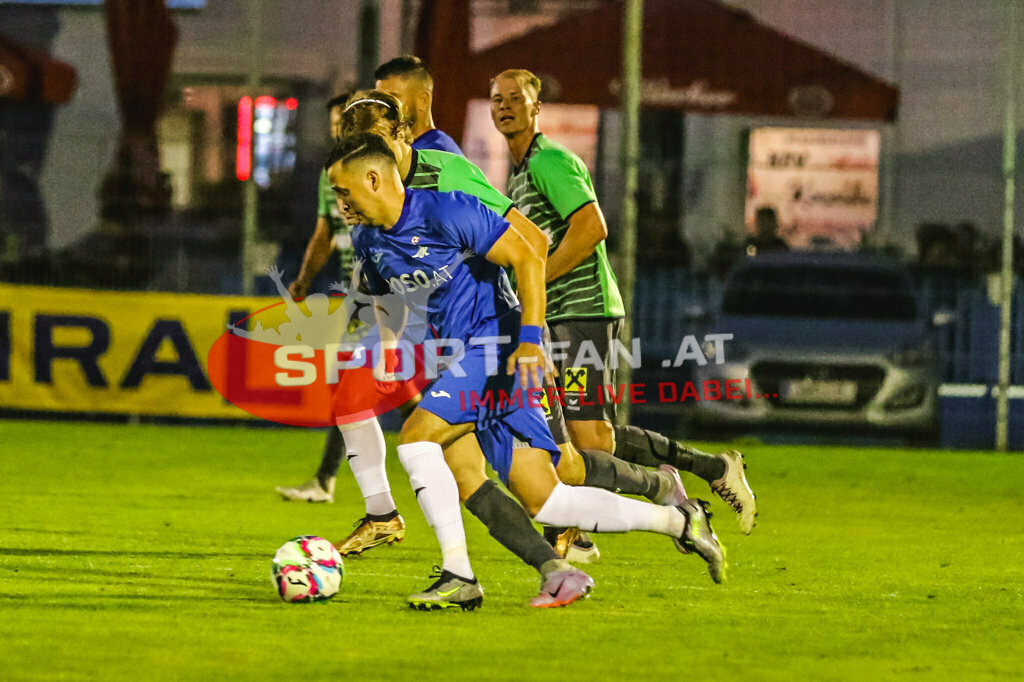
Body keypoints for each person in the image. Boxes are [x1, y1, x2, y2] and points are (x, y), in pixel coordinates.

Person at [328, 132, 726, 609]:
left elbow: (527, 254)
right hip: (463, 358)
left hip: (496, 345)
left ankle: (459, 576)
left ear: (373, 178)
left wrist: (533, 341)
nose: (340, 203)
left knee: (416, 440)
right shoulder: (370, 239)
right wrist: (390, 351)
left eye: (343, 190)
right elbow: (386, 297)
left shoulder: (446, 210)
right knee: (543, 497)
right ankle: (677, 524)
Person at [489, 69, 757, 536]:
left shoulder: (550, 161)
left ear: (537, 108)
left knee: (589, 436)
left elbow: (592, 228)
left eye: (516, 98)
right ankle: (697, 474)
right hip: (557, 318)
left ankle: (690, 478)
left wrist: (538, 279)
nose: (505, 105)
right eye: (497, 99)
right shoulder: (517, 175)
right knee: (583, 437)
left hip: (584, 310)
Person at [276, 54, 464, 506]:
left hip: (422, 297)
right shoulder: (337, 174)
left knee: (367, 389)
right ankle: (371, 492)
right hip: (369, 292)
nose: (342, 130)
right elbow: (326, 232)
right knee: (372, 387)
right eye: (338, 123)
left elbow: (471, 226)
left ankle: (361, 490)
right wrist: (304, 280)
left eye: (350, 120)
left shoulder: (431, 158)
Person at [373, 55, 463, 155]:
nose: (382, 106)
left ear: (423, 100)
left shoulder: (436, 155)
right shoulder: (397, 148)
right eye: (379, 98)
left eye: (393, 98)